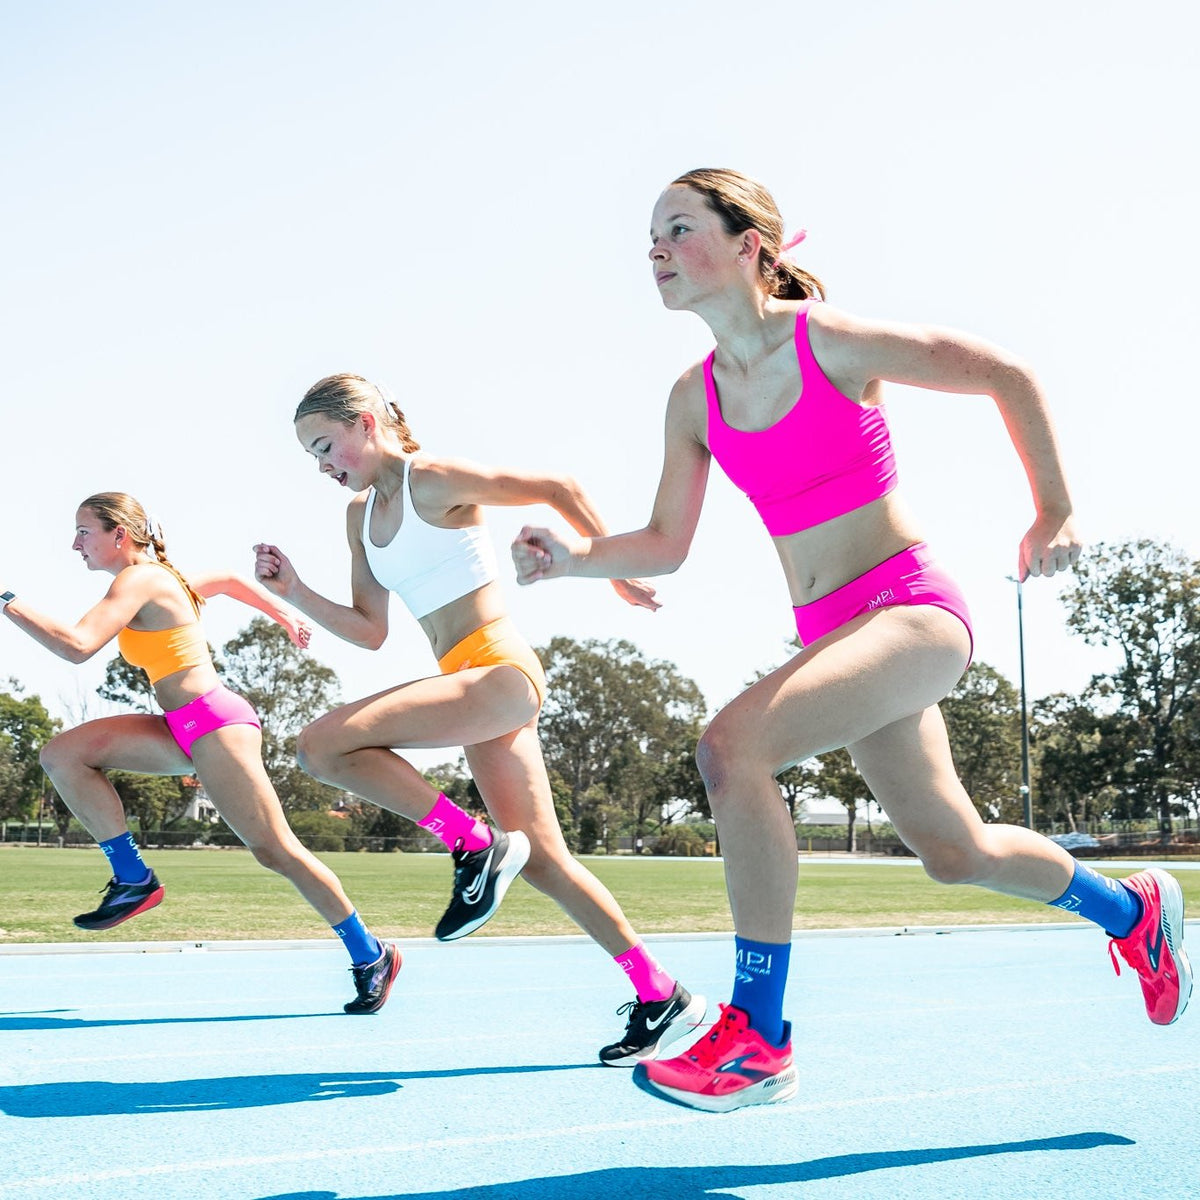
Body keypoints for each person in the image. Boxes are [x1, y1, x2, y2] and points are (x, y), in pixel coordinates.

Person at [512, 167, 1192, 1112]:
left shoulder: (829, 342)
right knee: (953, 851)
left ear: (751, 243)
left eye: (678, 227)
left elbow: (1005, 372)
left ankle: (757, 1033)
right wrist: (573, 557)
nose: (657, 250)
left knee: (730, 748)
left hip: (911, 610)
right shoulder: (692, 398)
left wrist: (1057, 510)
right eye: (650, 238)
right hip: (833, 635)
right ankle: (1134, 913)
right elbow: (665, 543)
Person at [251, 373, 707, 1065]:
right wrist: (295, 592)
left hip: (497, 671)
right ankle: (660, 993)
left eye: (326, 446)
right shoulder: (359, 518)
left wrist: (609, 571)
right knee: (547, 863)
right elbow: (371, 630)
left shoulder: (432, 478)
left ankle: (472, 844)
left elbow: (558, 487)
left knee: (320, 747)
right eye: (312, 456)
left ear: (367, 424)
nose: (322, 466)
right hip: (468, 688)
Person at [1, 492, 400, 1015]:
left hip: (215, 725)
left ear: (119, 534)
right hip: (177, 727)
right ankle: (133, 878)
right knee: (63, 755)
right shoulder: (168, 578)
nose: (75, 543)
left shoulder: (139, 579)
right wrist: (280, 613)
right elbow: (229, 581)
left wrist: (6, 598)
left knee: (276, 851)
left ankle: (371, 955)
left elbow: (77, 645)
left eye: (83, 532)